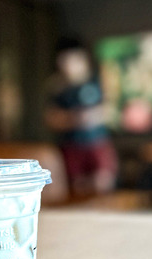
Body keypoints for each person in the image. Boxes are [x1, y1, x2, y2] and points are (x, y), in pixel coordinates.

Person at [45, 37, 118, 200]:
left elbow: (111, 109)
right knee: (76, 190)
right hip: (71, 148)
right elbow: (51, 119)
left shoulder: (97, 80)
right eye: (64, 60)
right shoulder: (57, 87)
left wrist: (94, 116)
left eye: (72, 59)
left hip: (98, 144)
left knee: (103, 184)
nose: (68, 65)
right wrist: (75, 119)